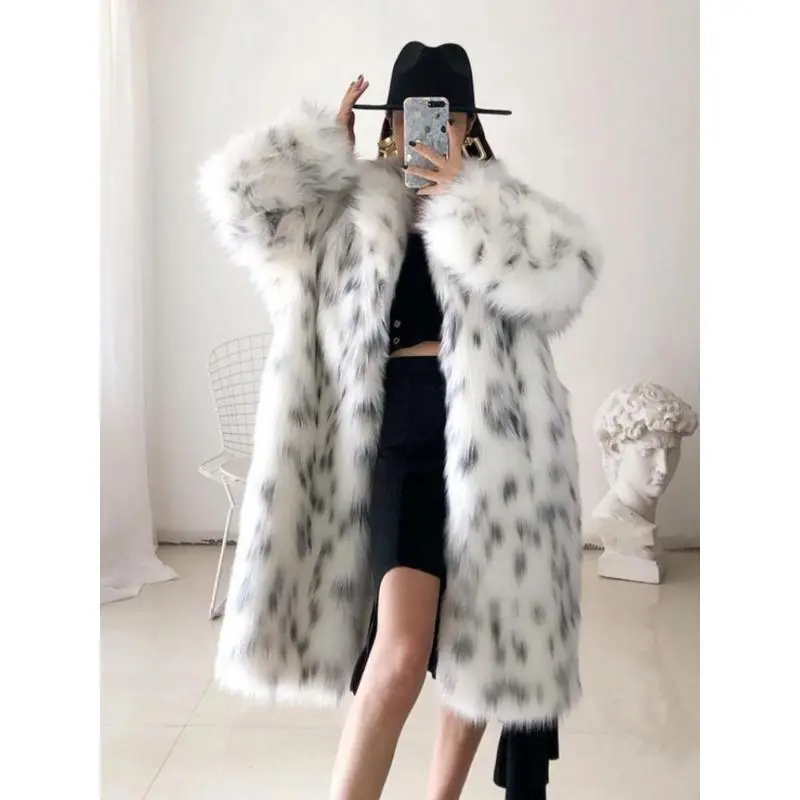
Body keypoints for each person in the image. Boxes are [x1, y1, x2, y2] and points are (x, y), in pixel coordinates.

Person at [198, 41, 601, 800]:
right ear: (392, 123)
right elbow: (244, 212)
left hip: (495, 447)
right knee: (401, 651)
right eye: (416, 115)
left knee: (481, 654)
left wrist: (468, 201)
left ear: (470, 125)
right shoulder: (349, 205)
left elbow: (568, 278)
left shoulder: (497, 206)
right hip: (396, 437)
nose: (432, 130)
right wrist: (318, 153)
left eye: (449, 116)